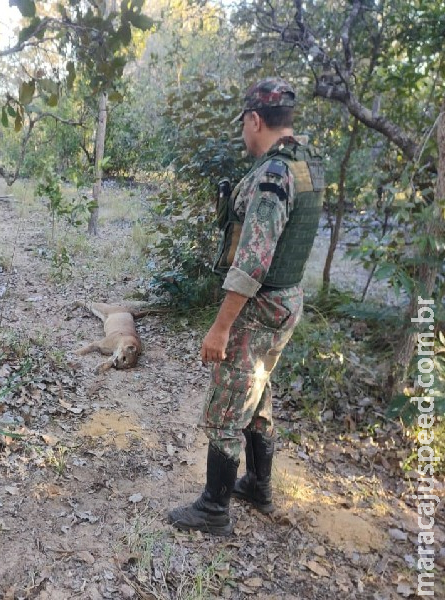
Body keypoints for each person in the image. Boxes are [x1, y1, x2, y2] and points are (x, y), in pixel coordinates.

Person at [167, 77, 325, 536]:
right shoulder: (306, 166)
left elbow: (252, 262)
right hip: (286, 300)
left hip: (259, 305)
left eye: (244, 124)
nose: (243, 134)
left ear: (256, 120)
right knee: (257, 392)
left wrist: (219, 328)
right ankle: (257, 484)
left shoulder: (273, 175)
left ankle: (213, 509)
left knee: (225, 405)